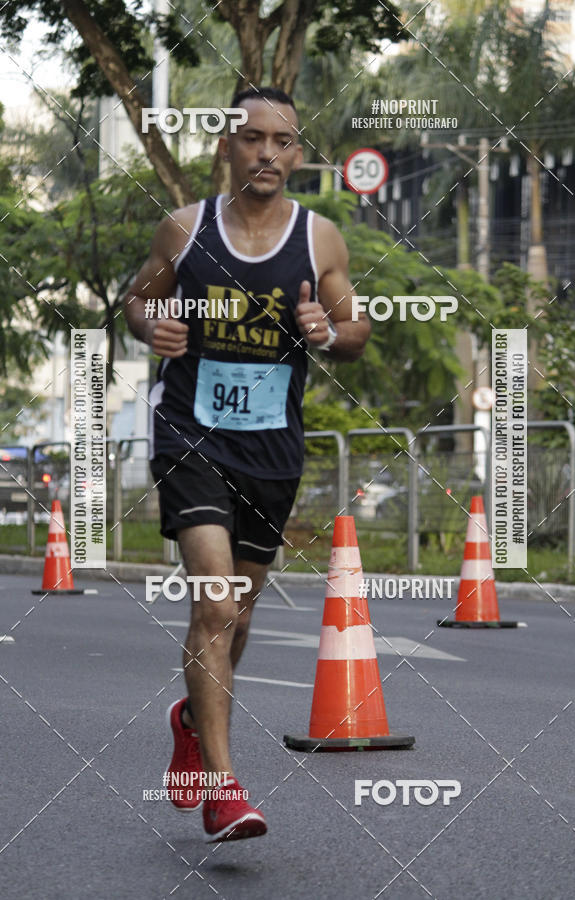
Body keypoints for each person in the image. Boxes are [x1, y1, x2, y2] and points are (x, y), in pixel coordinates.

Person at [124, 86, 370, 842]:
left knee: (241, 613)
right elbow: (137, 300)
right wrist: (153, 327)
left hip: (272, 448)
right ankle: (222, 788)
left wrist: (325, 332)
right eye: (252, 138)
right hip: (190, 436)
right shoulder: (185, 228)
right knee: (217, 603)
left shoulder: (320, 239)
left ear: (297, 151)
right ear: (226, 145)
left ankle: (192, 720)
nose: (267, 152)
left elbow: (356, 331)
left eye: (282, 140)